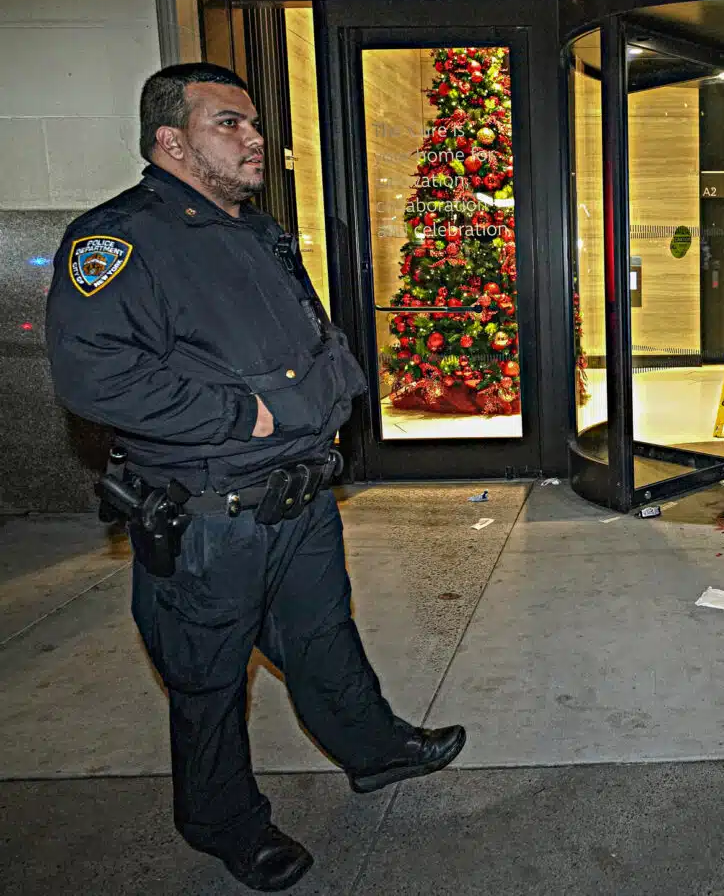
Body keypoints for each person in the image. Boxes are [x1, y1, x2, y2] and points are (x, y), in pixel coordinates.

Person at [44, 63, 466, 892]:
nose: (254, 139)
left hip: (300, 499)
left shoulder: (256, 231)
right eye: (229, 124)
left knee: (322, 640)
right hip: (211, 517)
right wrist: (248, 418)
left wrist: (336, 389)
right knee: (207, 681)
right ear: (171, 141)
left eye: (253, 124)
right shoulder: (119, 240)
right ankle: (223, 822)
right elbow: (96, 378)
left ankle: (375, 751)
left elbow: (313, 332)